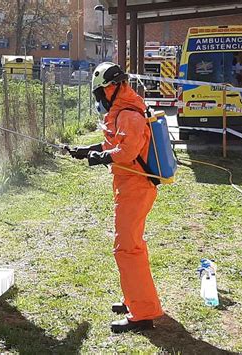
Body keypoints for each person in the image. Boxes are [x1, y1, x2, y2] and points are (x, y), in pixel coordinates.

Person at [65, 62, 164, 333]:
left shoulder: (128, 114)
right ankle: (135, 299)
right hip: (130, 186)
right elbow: (115, 143)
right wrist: (88, 151)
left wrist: (102, 157)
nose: (99, 99)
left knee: (127, 248)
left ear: (110, 89)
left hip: (136, 188)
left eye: (100, 93)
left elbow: (127, 151)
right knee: (132, 246)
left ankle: (142, 314)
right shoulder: (124, 109)